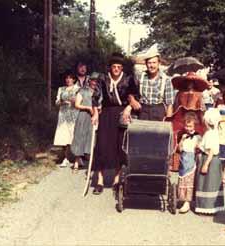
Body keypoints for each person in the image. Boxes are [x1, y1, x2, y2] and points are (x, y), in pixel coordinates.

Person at [92, 53, 138, 194]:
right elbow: (96, 97)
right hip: (105, 114)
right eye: (114, 67)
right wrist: (95, 113)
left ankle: (116, 180)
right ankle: (99, 180)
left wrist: (129, 108)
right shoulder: (103, 79)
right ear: (110, 68)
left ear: (122, 68)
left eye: (119, 67)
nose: (116, 69)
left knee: (119, 146)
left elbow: (135, 97)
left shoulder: (129, 79)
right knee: (101, 145)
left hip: (122, 114)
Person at [126, 51, 174, 121]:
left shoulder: (166, 80)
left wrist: (168, 120)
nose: (152, 66)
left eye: (154, 63)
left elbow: (169, 104)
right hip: (142, 111)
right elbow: (130, 93)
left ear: (159, 63)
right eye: (149, 63)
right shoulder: (140, 77)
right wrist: (133, 101)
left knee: (158, 131)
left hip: (158, 112)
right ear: (146, 64)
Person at [195, 108, 224, 214]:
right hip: (212, 159)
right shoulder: (213, 132)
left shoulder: (210, 134)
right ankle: (210, 206)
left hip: (209, 160)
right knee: (210, 183)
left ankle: (207, 207)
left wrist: (206, 164)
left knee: (207, 183)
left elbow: (211, 150)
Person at [70, 72, 101, 172]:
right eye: (93, 80)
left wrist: (98, 110)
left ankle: (91, 161)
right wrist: (88, 107)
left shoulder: (100, 92)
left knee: (92, 138)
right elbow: (77, 105)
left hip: (94, 117)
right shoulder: (83, 91)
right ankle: (76, 162)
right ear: (89, 80)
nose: (95, 82)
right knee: (79, 136)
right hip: (83, 116)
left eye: (97, 80)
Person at [53, 70, 79, 167]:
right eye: (67, 78)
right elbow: (56, 102)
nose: (68, 80)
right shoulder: (61, 89)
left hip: (74, 114)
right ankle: (65, 158)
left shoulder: (78, 89)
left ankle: (78, 157)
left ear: (74, 79)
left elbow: (80, 101)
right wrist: (61, 102)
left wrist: (74, 101)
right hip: (63, 114)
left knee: (74, 135)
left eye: (70, 78)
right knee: (64, 137)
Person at [177, 112, 201, 213]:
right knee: (183, 179)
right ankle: (182, 199)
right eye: (186, 126)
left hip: (191, 160)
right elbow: (179, 149)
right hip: (183, 159)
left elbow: (200, 148)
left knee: (189, 181)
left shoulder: (197, 137)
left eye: (190, 126)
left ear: (194, 125)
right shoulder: (183, 136)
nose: (188, 128)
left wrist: (198, 147)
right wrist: (181, 140)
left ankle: (187, 202)